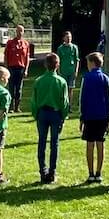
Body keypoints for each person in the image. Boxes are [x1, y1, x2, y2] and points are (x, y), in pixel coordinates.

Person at [32, 51, 70, 184]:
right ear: (58, 65)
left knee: (41, 142)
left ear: (45, 65)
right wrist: (64, 116)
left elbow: (34, 101)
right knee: (54, 143)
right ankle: (52, 172)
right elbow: (64, 102)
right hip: (55, 113)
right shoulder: (61, 81)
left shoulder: (38, 81)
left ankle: (43, 171)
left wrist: (35, 114)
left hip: (42, 113)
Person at [78, 50, 109, 183]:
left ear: (92, 63)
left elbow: (83, 98)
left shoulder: (86, 78)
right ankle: (99, 172)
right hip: (102, 115)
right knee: (100, 143)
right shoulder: (105, 78)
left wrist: (82, 117)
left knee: (90, 144)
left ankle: (91, 172)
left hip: (90, 115)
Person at [4, 25, 31, 107]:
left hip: (21, 68)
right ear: (16, 31)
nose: (19, 32)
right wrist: (6, 68)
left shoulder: (26, 44)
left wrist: (26, 70)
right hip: (11, 68)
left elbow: (27, 58)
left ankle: (17, 106)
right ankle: (10, 106)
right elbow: (6, 56)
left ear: (23, 32)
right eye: (18, 31)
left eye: (21, 31)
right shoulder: (10, 43)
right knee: (11, 88)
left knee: (19, 88)